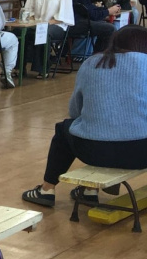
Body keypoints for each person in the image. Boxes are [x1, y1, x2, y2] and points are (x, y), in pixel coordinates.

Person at [22, 25, 147, 208]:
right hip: (141, 153)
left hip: (93, 151)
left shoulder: (92, 63)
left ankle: (47, 190)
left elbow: (75, 111)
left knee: (64, 129)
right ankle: (88, 190)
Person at [23, 0, 75, 75]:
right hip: (36, 24)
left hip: (56, 26)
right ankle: (19, 67)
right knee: (20, 32)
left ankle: (42, 69)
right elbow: (28, 11)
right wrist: (33, 20)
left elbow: (64, 16)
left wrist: (46, 23)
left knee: (43, 32)